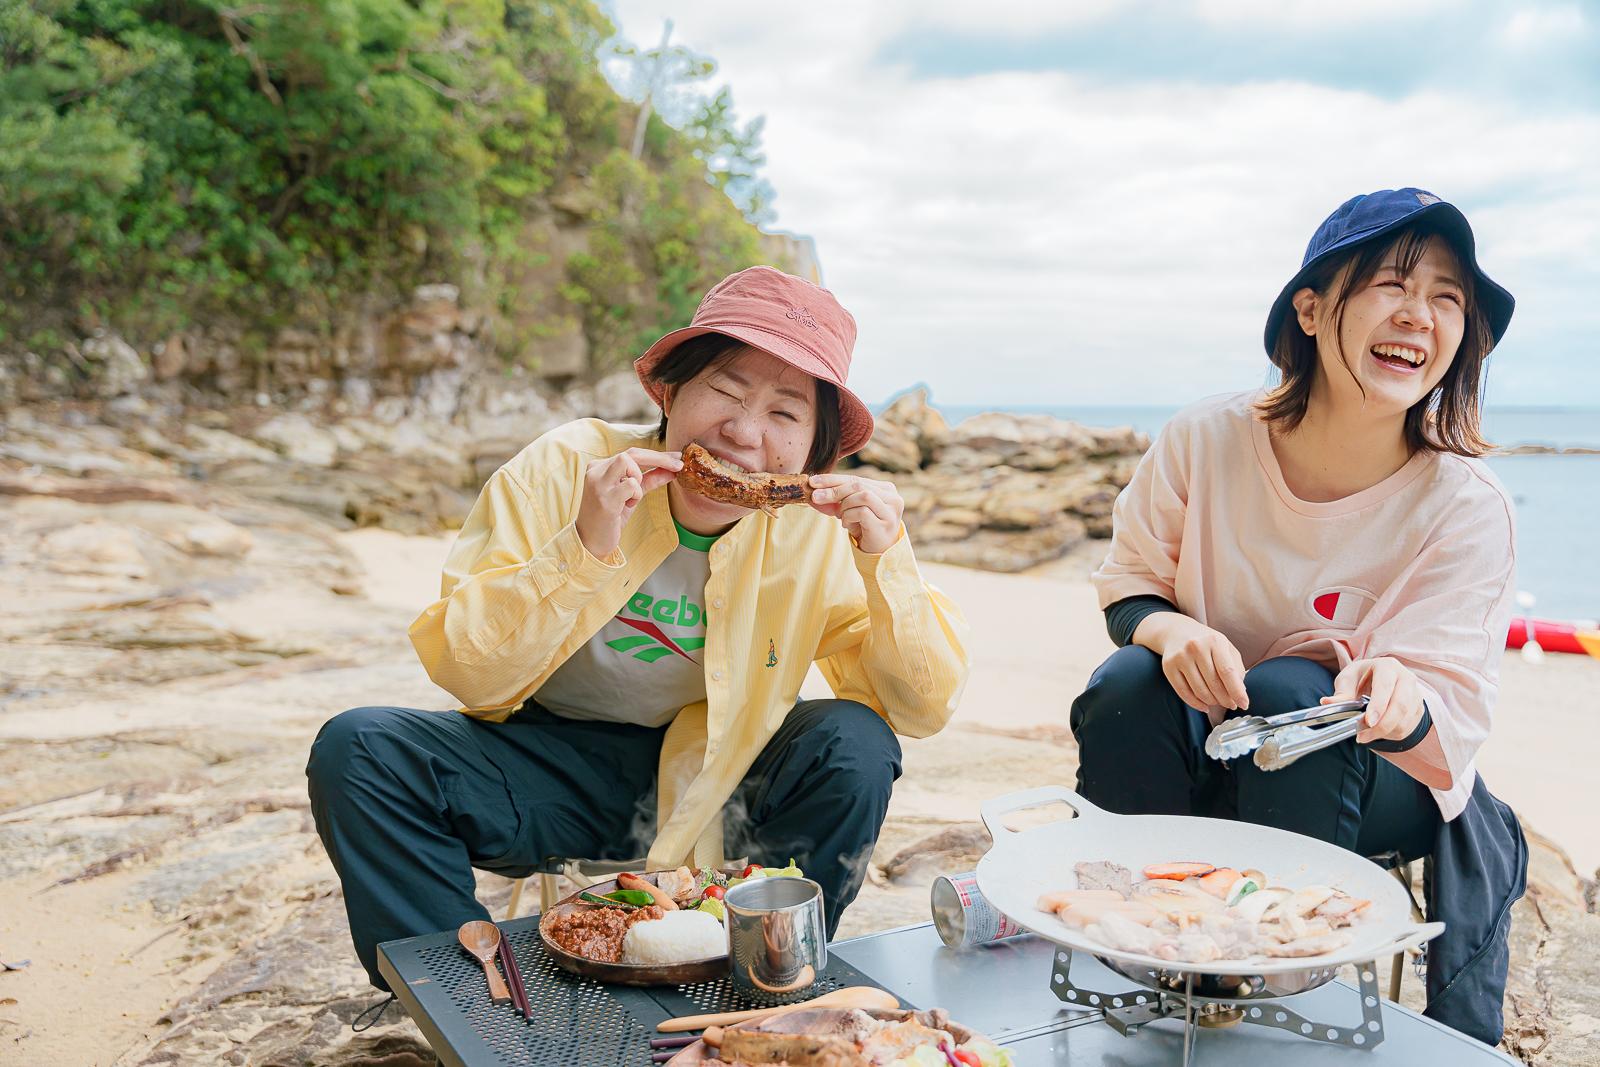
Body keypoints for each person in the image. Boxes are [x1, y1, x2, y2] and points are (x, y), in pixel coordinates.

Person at [307, 266, 970, 991]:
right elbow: (468, 668)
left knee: (855, 739)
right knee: (360, 748)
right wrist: (583, 548)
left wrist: (886, 560)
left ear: (814, 450)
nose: (745, 433)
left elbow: (917, 708)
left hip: (721, 774)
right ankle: (464, 997)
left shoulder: (816, 534)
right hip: (546, 761)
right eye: (725, 389)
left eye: (785, 414)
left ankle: (765, 973)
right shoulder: (563, 468)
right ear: (669, 391)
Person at [1070, 188, 1526, 1041]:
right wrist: (1172, 630)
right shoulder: (1205, 439)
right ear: (1312, 309)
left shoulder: (1467, 507)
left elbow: (1449, 727)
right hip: (1207, 741)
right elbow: (1127, 586)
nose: (1419, 317)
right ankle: (1131, 950)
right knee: (1129, 680)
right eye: (1392, 284)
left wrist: (1395, 695)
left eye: (1448, 298)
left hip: (1370, 770)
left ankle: (1267, 1000)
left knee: (1292, 689)